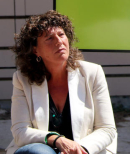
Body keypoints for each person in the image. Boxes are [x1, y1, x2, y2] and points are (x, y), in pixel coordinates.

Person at [6, 11, 117, 154]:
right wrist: (56, 139)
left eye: (61, 35)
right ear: (35, 50)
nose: (59, 41)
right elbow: (20, 131)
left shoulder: (92, 73)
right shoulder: (22, 79)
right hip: (41, 149)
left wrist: (79, 149)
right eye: (49, 38)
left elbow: (107, 129)